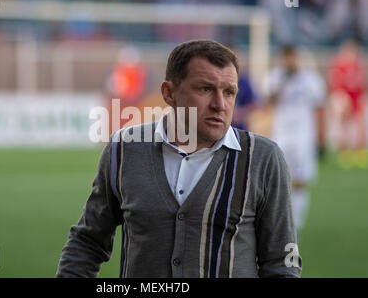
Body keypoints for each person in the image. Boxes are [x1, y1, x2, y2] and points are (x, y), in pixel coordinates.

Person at [57, 40, 301, 278]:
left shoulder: (263, 158)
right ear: (169, 93)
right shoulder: (125, 148)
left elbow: (282, 261)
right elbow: (88, 241)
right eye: (205, 89)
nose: (220, 105)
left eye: (229, 92)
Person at [266, 45, 326, 235]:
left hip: (303, 136)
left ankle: (296, 222)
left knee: (300, 179)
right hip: (281, 135)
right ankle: (282, 219)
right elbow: (268, 102)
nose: (290, 61)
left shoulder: (311, 80)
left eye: (293, 57)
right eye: (286, 58)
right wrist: (284, 81)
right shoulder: (275, 77)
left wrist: (320, 137)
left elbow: (319, 108)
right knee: (280, 179)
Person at [327, 39, 367, 169]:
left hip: (355, 97)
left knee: (358, 126)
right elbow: (335, 82)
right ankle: (344, 154)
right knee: (344, 125)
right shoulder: (340, 64)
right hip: (344, 96)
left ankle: (358, 153)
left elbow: (362, 83)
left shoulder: (357, 64)